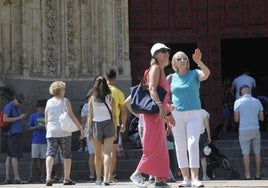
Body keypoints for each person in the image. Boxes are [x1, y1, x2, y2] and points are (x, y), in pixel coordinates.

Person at [130, 42, 175, 188]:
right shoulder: (155, 68)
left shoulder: (161, 70)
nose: (166, 53)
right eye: (162, 51)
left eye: (167, 51)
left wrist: (168, 114)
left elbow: (165, 96)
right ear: (155, 54)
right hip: (152, 113)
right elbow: (152, 89)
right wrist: (160, 107)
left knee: (160, 146)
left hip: (159, 113)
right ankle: (137, 173)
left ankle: (159, 179)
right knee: (153, 145)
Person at [168, 48, 210, 187]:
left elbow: (207, 74)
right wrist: (168, 106)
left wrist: (199, 62)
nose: (182, 60)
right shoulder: (171, 77)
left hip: (194, 113)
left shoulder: (194, 74)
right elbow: (164, 94)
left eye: (184, 58)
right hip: (177, 114)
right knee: (180, 145)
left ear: (188, 61)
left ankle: (195, 178)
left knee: (192, 144)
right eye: (179, 58)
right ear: (174, 63)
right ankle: (186, 179)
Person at [45, 81, 82, 186]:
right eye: (64, 89)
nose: (65, 91)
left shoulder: (48, 102)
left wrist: (48, 130)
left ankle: (48, 177)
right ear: (60, 90)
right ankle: (66, 178)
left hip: (51, 131)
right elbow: (72, 116)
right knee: (66, 155)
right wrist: (80, 127)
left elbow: (46, 119)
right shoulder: (65, 101)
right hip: (64, 131)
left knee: (50, 153)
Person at [88, 76, 117, 185]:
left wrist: (88, 131)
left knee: (97, 155)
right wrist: (115, 130)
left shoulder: (92, 99)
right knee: (107, 153)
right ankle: (106, 178)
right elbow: (114, 116)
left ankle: (98, 179)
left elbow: (90, 116)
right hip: (108, 124)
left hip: (96, 125)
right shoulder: (110, 99)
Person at [233, 84, 264, 180]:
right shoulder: (257, 101)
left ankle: (247, 175)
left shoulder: (238, 102)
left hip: (244, 129)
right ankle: (258, 175)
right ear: (249, 91)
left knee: (246, 153)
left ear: (241, 92)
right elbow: (262, 118)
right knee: (257, 152)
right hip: (255, 128)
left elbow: (236, 119)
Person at [106, 68, 127, 182]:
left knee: (100, 150)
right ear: (115, 78)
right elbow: (123, 110)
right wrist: (123, 123)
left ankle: (100, 175)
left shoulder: (100, 91)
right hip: (114, 124)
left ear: (106, 77)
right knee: (112, 150)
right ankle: (110, 175)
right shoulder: (118, 92)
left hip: (99, 122)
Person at [3, 92, 27, 184]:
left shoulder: (14, 107)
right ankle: (16, 178)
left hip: (13, 133)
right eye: (19, 101)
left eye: (21, 102)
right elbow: (5, 119)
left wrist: (19, 118)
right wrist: (19, 118)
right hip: (13, 133)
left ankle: (8, 178)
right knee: (14, 155)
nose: (20, 103)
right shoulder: (10, 106)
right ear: (15, 99)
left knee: (9, 156)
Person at [27, 99, 48, 184]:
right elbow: (29, 128)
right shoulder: (33, 116)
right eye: (40, 109)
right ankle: (31, 176)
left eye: (43, 109)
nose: (41, 110)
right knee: (34, 159)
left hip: (45, 140)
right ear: (37, 108)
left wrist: (45, 127)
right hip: (35, 140)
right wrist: (36, 127)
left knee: (43, 160)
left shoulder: (47, 116)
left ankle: (43, 176)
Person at [80, 89, 96, 182]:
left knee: (91, 154)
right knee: (100, 154)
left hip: (88, 132)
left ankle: (92, 175)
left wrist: (81, 133)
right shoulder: (99, 104)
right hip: (99, 131)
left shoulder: (85, 106)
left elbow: (83, 121)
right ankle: (101, 174)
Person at [199, 108, 212, 181]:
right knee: (203, 156)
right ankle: (204, 175)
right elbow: (207, 125)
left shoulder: (191, 112)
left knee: (192, 156)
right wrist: (209, 136)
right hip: (202, 135)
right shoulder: (204, 112)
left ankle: (193, 176)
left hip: (193, 135)